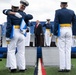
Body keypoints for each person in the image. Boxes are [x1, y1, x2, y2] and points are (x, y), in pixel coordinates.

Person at [3, 0, 33, 72]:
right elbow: (30, 18)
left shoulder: (10, 14)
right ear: (19, 6)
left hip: (14, 33)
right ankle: (22, 67)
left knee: (11, 50)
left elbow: (9, 26)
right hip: (22, 34)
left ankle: (13, 67)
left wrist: (7, 36)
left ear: (12, 7)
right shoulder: (23, 14)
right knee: (21, 51)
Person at [54, 1, 76, 72]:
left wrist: (55, 32)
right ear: (67, 5)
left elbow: (56, 22)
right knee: (68, 49)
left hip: (61, 29)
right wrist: (74, 33)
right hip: (69, 30)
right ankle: (68, 67)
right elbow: (74, 23)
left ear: (61, 5)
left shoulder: (58, 12)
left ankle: (62, 67)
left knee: (62, 49)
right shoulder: (72, 12)